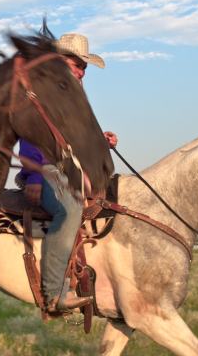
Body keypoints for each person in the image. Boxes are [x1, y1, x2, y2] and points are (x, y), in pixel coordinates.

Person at [16, 33, 116, 314]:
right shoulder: (41, 90)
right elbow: (29, 134)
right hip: (44, 167)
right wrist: (34, 177)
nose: (82, 72)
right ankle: (54, 293)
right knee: (70, 211)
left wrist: (100, 139)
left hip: (68, 169)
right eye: (77, 64)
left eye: (84, 67)